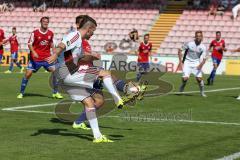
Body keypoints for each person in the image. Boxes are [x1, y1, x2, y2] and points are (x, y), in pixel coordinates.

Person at [17, 17, 63, 99]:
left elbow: (51, 43)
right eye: (44, 21)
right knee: (28, 74)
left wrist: (54, 52)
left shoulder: (50, 33)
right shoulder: (35, 33)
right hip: (36, 59)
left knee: (56, 71)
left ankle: (55, 93)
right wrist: (33, 52)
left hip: (46, 58)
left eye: (47, 22)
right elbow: (29, 44)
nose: (45, 23)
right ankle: (21, 92)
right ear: (40, 22)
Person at [178, 31, 208, 97]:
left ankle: (202, 93)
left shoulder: (203, 47)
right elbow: (180, 50)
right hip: (187, 62)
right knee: (184, 79)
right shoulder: (189, 44)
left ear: (202, 37)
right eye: (197, 36)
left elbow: (205, 58)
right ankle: (182, 86)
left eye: (200, 36)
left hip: (196, 63)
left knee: (199, 79)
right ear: (195, 36)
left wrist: (200, 65)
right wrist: (180, 62)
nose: (198, 37)